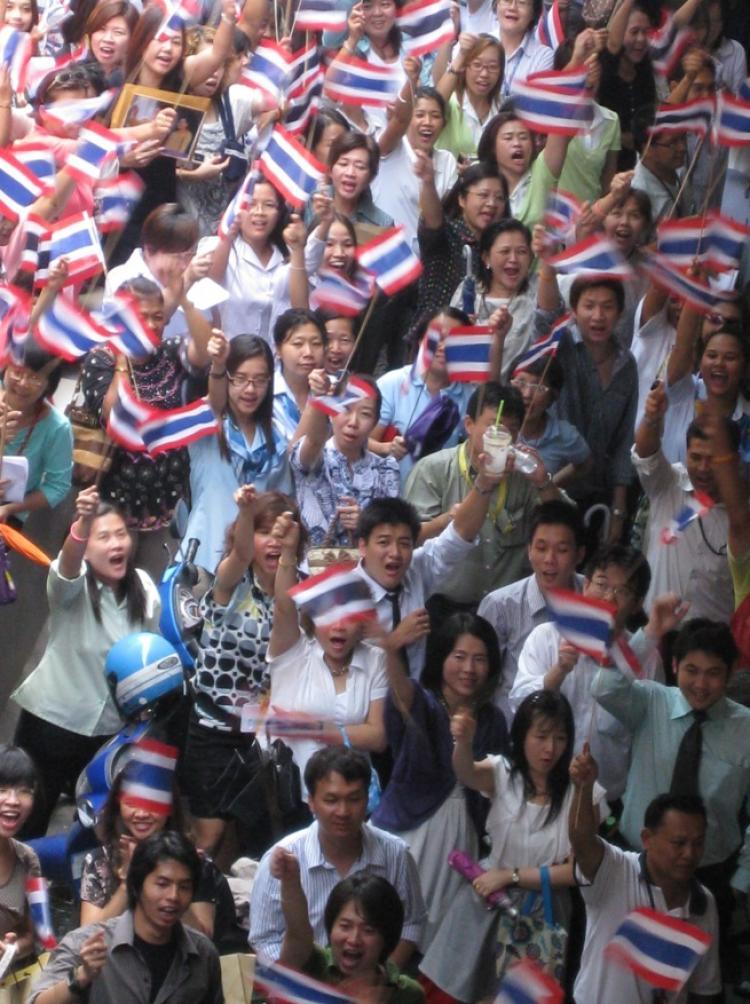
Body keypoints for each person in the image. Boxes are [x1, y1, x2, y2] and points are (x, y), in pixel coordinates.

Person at [420, 691, 607, 1002]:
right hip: (487, 897)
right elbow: (465, 772)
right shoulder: (502, 773)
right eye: (541, 736)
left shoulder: (583, 791)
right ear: (521, 734)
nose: (550, 749)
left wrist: (510, 876)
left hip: (542, 907)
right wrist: (463, 742)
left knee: (518, 997)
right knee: (458, 989)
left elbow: (577, 871)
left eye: (560, 738)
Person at [592, 615, 750, 945]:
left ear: (730, 672)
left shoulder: (745, 728)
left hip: (709, 873)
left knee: (698, 981)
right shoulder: (651, 701)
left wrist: (742, 878)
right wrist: (650, 633)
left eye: (713, 673)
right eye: (692, 670)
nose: (701, 685)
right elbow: (604, 687)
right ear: (675, 665)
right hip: (635, 863)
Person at [12, 487, 161, 837]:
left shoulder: (144, 586)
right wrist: (82, 522)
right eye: (104, 537)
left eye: (121, 534)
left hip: (107, 734)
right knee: (27, 822)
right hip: (51, 722)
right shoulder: (70, 586)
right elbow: (66, 568)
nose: (116, 545)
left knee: (94, 831)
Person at [371, 613, 509, 950]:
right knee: (392, 920)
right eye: (459, 657)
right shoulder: (425, 701)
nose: (469, 669)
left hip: (464, 838)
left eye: (479, 659)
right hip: (411, 828)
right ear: (441, 657)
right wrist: (391, 649)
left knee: (445, 934)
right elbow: (402, 693)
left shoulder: (493, 719)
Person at [181, 487, 304, 860]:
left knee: (246, 844)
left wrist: (288, 556)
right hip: (213, 730)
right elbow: (241, 554)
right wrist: (247, 513)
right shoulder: (230, 583)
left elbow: (286, 611)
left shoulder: (296, 589)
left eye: (281, 535)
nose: (273, 542)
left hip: (263, 739)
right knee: (209, 837)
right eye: (265, 532)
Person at [510, 544, 663, 801]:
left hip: (606, 801)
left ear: (637, 604)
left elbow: (650, 737)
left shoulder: (645, 658)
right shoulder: (545, 638)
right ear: (585, 585)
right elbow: (518, 705)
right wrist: (558, 672)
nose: (608, 598)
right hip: (540, 792)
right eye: (602, 584)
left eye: (622, 591)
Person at [569, 747, 721, 1003]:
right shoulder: (615, 870)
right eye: (679, 843)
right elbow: (581, 839)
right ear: (647, 839)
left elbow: (705, 990)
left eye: (698, 843)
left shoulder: (703, 903)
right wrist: (584, 788)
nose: (689, 853)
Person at [249, 746, 426, 965]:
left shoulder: (395, 854)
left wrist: (381, 978)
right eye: (331, 800)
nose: (343, 812)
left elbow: (412, 924)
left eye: (353, 799)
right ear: (311, 802)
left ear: (367, 799)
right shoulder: (281, 859)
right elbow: (264, 938)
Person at [82, 276, 210, 576]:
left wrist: (187, 303)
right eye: (142, 317)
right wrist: (123, 355)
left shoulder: (171, 352)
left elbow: (204, 355)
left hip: (162, 507)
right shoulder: (101, 358)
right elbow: (113, 416)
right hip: (113, 508)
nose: (153, 325)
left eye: (159, 317)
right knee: (108, 594)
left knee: (148, 593)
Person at [405, 382, 562, 609]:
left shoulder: (525, 477)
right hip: (443, 605)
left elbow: (564, 526)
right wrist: (448, 520)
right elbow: (410, 538)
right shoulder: (433, 469)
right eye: (493, 428)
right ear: (469, 424)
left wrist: (543, 482)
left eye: (511, 430)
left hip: (505, 607)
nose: (502, 437)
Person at [29, 831, 223, 1004]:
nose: (173, 896)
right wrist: (82, 976)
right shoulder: (85, 945)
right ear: (138, 886)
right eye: (162, 884)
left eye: (184, 887)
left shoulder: (203, 955)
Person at [266, 510, 388, 783]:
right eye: (329, 615)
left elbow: (377, 737)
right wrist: (288, 552)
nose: (339, 626)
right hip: (293, 795)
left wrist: (313, 728)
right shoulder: (294, 653)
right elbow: (284, 608)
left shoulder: (376, 659)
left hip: (353, 794)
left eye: (348, 617)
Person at [79, 755, 239, 952]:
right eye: (132, 802)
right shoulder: (99, 861)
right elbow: (86, 940)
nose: (142, 814)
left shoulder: (196, 862)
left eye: (152, 804)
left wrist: (180, 880)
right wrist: (127, 883)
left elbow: (202, 939)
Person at [536, 274, 638, 541]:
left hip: (599, 495)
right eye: (589, 305)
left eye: (607, 306)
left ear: (619, 312)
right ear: (574, 309)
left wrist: (618, 510)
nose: (598, 315)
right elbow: (544, 318)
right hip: (552, 487)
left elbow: (624, 442)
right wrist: (547, 263)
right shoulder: (561, 346)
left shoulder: (627, 366)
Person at [181, 332, 291, 573]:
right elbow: (215, 403)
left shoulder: (277, 435)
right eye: (239, 379)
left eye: (260, 380)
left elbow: (282, 502)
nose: (250, 389)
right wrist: (218, 365)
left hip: (256, 565)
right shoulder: (208, 425)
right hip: (205, 556)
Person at [632, 384, 733, 622]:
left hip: (711, 644)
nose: (703, 468)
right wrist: (651, 418)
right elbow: (646, 455)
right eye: (695, 457)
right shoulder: (668, 484)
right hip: (654, 631)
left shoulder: (741, 514)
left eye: (713, 459)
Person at [477, 501, 585, 718]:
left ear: (579, 555)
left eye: (562, 550)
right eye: (541, 548)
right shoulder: (500, 605)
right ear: (529, 550)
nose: (549, 560)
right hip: (516, 728)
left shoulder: (594, 599)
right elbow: (482, 681)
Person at [274, 856, 424, 1003]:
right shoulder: (313, 963)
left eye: (368, 930)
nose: (354, 939)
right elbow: (298, 933)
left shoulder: (408, 994)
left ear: (386, 938)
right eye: (345, 926)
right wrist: (290, 882)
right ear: (331, 926)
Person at [291, 371, 399, 549]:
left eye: (365, 414)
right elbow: (314, 439)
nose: (353, 422)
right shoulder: (314, 456)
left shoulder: (387, 468)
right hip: (314, 571)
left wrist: (365, 524)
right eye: (345, 409)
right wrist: (320, 397)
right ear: (331, 412)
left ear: (375, 422)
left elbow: (392, 531)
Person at [204, 182, 309, 343]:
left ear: (280, 212)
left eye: (269, 205)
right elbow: (209, 287)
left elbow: (302, 313)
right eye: (250, 204)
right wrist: (227, 239)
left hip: (276, 362)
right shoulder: (215, 247)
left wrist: (298, 250)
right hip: (227, 358)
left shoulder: (289, 255)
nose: (259, 212)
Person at [413, 162, 508, 329]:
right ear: (462, 199)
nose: (492, 203)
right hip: (434, 338)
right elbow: (433, 220)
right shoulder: (447, 235)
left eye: (499, 198)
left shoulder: (501, 249)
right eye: (483, 195)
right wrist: (428, 182)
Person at [370, 86, 458, 248]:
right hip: (386, 254)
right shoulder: (392, 148)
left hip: (428, 259)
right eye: (419, 115)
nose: (427, 122)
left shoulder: (447, 161)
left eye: (435, 116)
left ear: (444, 124)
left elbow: (443, 218)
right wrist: (412, 78)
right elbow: (398, 121)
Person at [451, 220, 538, 376]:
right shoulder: (468, 291)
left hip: (509, 398)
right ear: (486, 258)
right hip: (465, 394)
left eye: (521, 252)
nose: (513, 259)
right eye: (505, 251)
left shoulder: (537, 294)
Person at [0, 342, 72, 527]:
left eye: (35, 378)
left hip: (6, 513)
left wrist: (10, 509)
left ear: (49, 386)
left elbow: (57, 486)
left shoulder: (57, 427)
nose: (23, 383)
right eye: (18, 372)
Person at [509, 353, 592, 486]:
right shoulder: (498, 426)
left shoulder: (564, 435)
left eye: (538, 388)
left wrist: (550, 483)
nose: (527, 395)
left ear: (553, 397)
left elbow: (584, 463)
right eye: (520, 383)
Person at [0, 746, 42, 964]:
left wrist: (11, 949)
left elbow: (35, 936)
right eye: (2, 789)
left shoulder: (29, 860)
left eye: (24, 790)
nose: (13, 800)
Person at [433, 33, 504, 161]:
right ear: (465, 67)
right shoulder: (451, 102)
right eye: (477, 65)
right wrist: (461, 54)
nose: (484, 74)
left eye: (492, 67)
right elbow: (435, 102)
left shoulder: (502, 108)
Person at [271, 309, 328, 444]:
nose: (308, 352)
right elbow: (292, 455)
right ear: (278, 350)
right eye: (298, 344)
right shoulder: (264, 392)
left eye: (316, 344)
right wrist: (317, 400)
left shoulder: (335, 390)